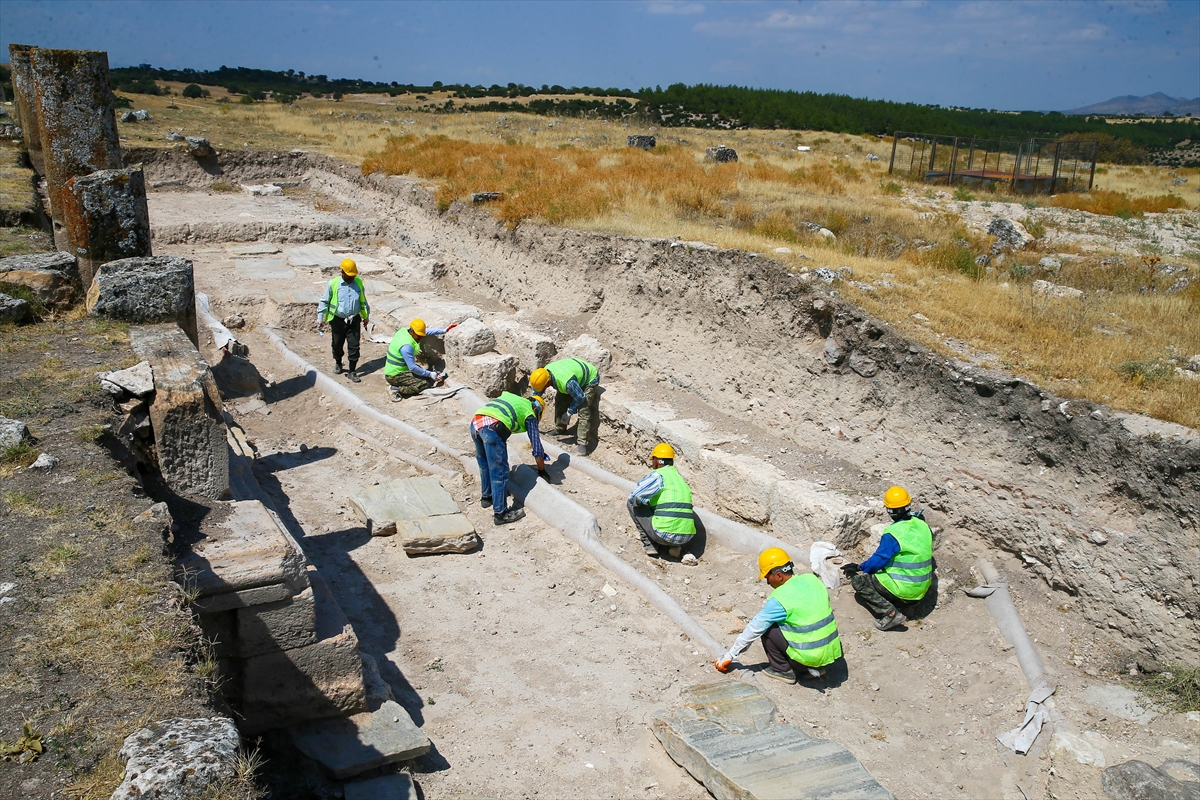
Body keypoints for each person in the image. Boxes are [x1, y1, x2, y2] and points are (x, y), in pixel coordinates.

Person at [714, 547, 843, 683]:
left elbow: (754, 628)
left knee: (768, 627)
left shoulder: (780, 599)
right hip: (829, 655)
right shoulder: (812, 580)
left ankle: (783, 670)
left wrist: (730, 655)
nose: (768, 582)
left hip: (809, 657)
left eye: (767, 577)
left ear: (779, 575)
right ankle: (814, 668)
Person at [841, 485, 934, 631]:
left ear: (888, 510)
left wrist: (859, 567)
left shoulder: (893, 534)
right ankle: (907, 606)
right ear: (908, 505)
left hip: (904, 590)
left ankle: (890, 613)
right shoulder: (923, 526)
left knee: (859, 582)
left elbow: (878, 562)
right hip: (921, 591)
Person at [471, 392, 547, 525]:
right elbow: (537, 447)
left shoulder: (514, 398)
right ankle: (501, 514)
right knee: (499, 472)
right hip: (492, 428)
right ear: (537, 409)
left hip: (476, 423)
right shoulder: (530, 413)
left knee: (484, 465)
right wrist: (542, 470)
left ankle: (487, 497)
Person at [627, 442, 695, 559]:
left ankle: (650, 545)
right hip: (687, 537)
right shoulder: (679, 478)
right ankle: (676, 547)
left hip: (663, 534)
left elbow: (635, 496)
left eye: (653, 459)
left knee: (632, 503)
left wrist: (645, 505)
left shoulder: (658, 475)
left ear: (658, 461)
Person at [529, 357, 600, 455]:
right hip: (571, 375)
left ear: (548, 382)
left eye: (544, 386)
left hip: (590, 378)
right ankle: (560, 429)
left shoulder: (567, 383)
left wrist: (569, 412)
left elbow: (580, 397)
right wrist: (531, 403)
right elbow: (537, 392)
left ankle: (582, 444)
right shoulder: (544, 373)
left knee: (584, 409)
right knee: (560, 400)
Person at [317, 259, 370, 382]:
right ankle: (338, 362)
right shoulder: (333, 284)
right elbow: (324, 301)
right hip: (337, 320)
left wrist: (366, 316)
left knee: (354, 346)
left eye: (353, 275)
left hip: (354, 320)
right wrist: (321, 318)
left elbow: (363, 301)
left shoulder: (359, 283)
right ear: (342, 272)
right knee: (337, 344)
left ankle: (352, 371)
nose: (351, 277)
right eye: (349, 275)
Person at [385, 318, 457, 401]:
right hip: (395, 374)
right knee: (423, 384)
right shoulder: (407, 346)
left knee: (423, 374)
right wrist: (430, 374)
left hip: (395, 369)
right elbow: (412, 367)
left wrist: (444, 330)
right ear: (412, 331)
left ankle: (397, 383)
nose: (420, 338)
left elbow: (425, 332)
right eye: (419, 336)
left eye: (421, 335)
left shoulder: (404, 331)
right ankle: (394, 388)